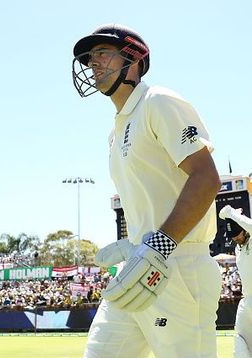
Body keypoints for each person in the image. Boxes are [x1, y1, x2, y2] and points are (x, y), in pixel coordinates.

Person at [72, 24, 222, 357]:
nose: (93, 64)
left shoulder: (158, 101)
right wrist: (136, 245)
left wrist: (158, 244)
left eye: (102, 54)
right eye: (89, 58)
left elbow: (206, 178)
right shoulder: (115, 131)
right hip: (139, 265)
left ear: (134, 59)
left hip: (179, 265)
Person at [219, 205, 252, 358]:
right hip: (246, 302)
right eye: (232, 236)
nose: (236, 238)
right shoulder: (238, 248)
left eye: (237, 234)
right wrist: (231, 218)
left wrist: (231, 212)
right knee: (239, 340)